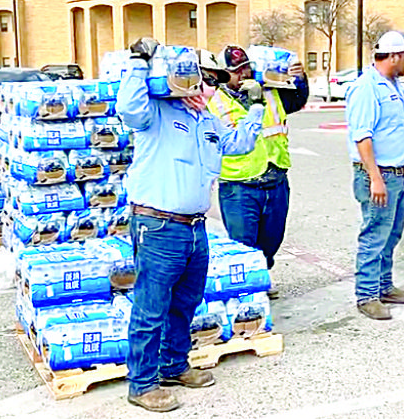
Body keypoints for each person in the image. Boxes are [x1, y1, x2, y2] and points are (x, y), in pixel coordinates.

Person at [117, 37, 265, 413]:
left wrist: (257, 107)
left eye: (210, 81)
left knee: (185, 302)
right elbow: (128, 109)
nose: (207, 86)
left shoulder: (206, 120)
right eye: (203, 79)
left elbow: (237, 144)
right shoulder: (155, 113)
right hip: (158, 225)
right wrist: (138, 61)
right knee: (151, 306)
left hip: (195, 227)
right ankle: (143, 383)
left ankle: (173, 365)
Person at [204, 45, 309, 299]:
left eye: (246, 68)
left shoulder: (270, 91)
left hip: (275, 176)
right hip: (240, 184)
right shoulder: (214, 102)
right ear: (223, 74)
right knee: (242, 242)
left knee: (272, 238)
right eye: (236, 71)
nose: (243, 74)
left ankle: (262, 271)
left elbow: (297, 100)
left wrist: (300, 79)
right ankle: (248, 292)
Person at [344, 31, 404, 321]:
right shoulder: (367, 88)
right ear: (395, 56)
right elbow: (362, 137)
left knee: (392, 234)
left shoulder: (394, 84)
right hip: (378, 175)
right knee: (375, 234)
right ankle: (366, 295)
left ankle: (384, 286)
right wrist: (375, 177)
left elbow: (397, 128)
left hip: (397, 172)